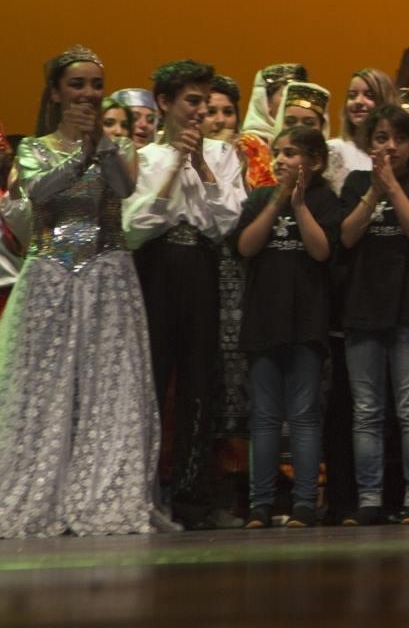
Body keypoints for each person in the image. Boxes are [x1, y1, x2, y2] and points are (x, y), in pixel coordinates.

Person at [0, 46, 166, 537]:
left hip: (108, 277)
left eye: (96, 85)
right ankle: (40, 490)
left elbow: (124, 189)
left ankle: (100, 490)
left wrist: (101, 144)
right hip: (50, 276)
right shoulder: (33, 149)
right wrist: (80, 155)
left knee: (106, 387)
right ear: (55, 93)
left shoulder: (119, 148)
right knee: (44, 386)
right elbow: (39, 192)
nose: (89, 94)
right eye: (77, 84)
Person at [124, 59, 246, 530]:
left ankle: (193, 497)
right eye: (191, 101)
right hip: (156, 266)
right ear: (164, 103)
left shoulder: (222, 154)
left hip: (200, 264)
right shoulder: (143, 156)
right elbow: (135, 226)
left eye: (205, 102)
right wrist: (175, 164)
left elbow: (228, 221)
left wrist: (200, 165)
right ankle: (144, 494)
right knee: (152, 380)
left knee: (199, 381)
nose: (200, 111)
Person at [336, 104, 409, 525]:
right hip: (362, 308)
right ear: (368, 143)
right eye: (381, 138)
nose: (391, 146)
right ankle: (369, 498)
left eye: (399, 138)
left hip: (408, 308)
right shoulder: (355, 182)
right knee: (367, 411)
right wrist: (374, 191)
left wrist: (393, 189)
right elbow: (347, 236)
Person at [229, 126, 341, 529]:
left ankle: (305, 503)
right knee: (264, 416)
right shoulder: (260, 199)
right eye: (277, 152)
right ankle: (260, 504)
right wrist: (277, 200)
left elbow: (321, 251)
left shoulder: (324, 200)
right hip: (263, 321)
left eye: (290, 153)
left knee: (304, 414)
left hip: (307, 322)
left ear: (315, 162)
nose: (280, 160)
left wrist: (299, 205)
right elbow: (246, 246)